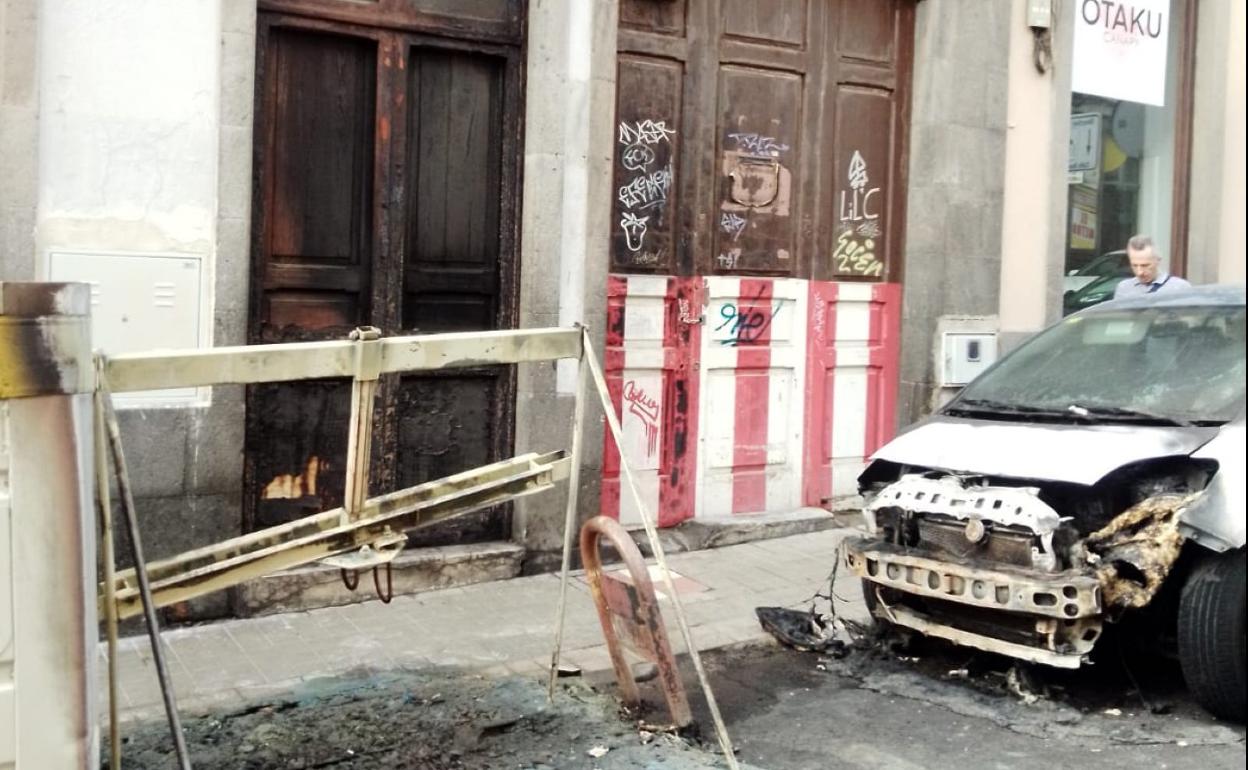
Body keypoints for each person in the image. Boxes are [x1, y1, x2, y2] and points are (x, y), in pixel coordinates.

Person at [1113, 234, 1191, 298]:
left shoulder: (1180, 288)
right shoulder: (1123, 288)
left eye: (1145, 266)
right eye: (1135, 265)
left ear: (1158, 260)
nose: (1140, 272)